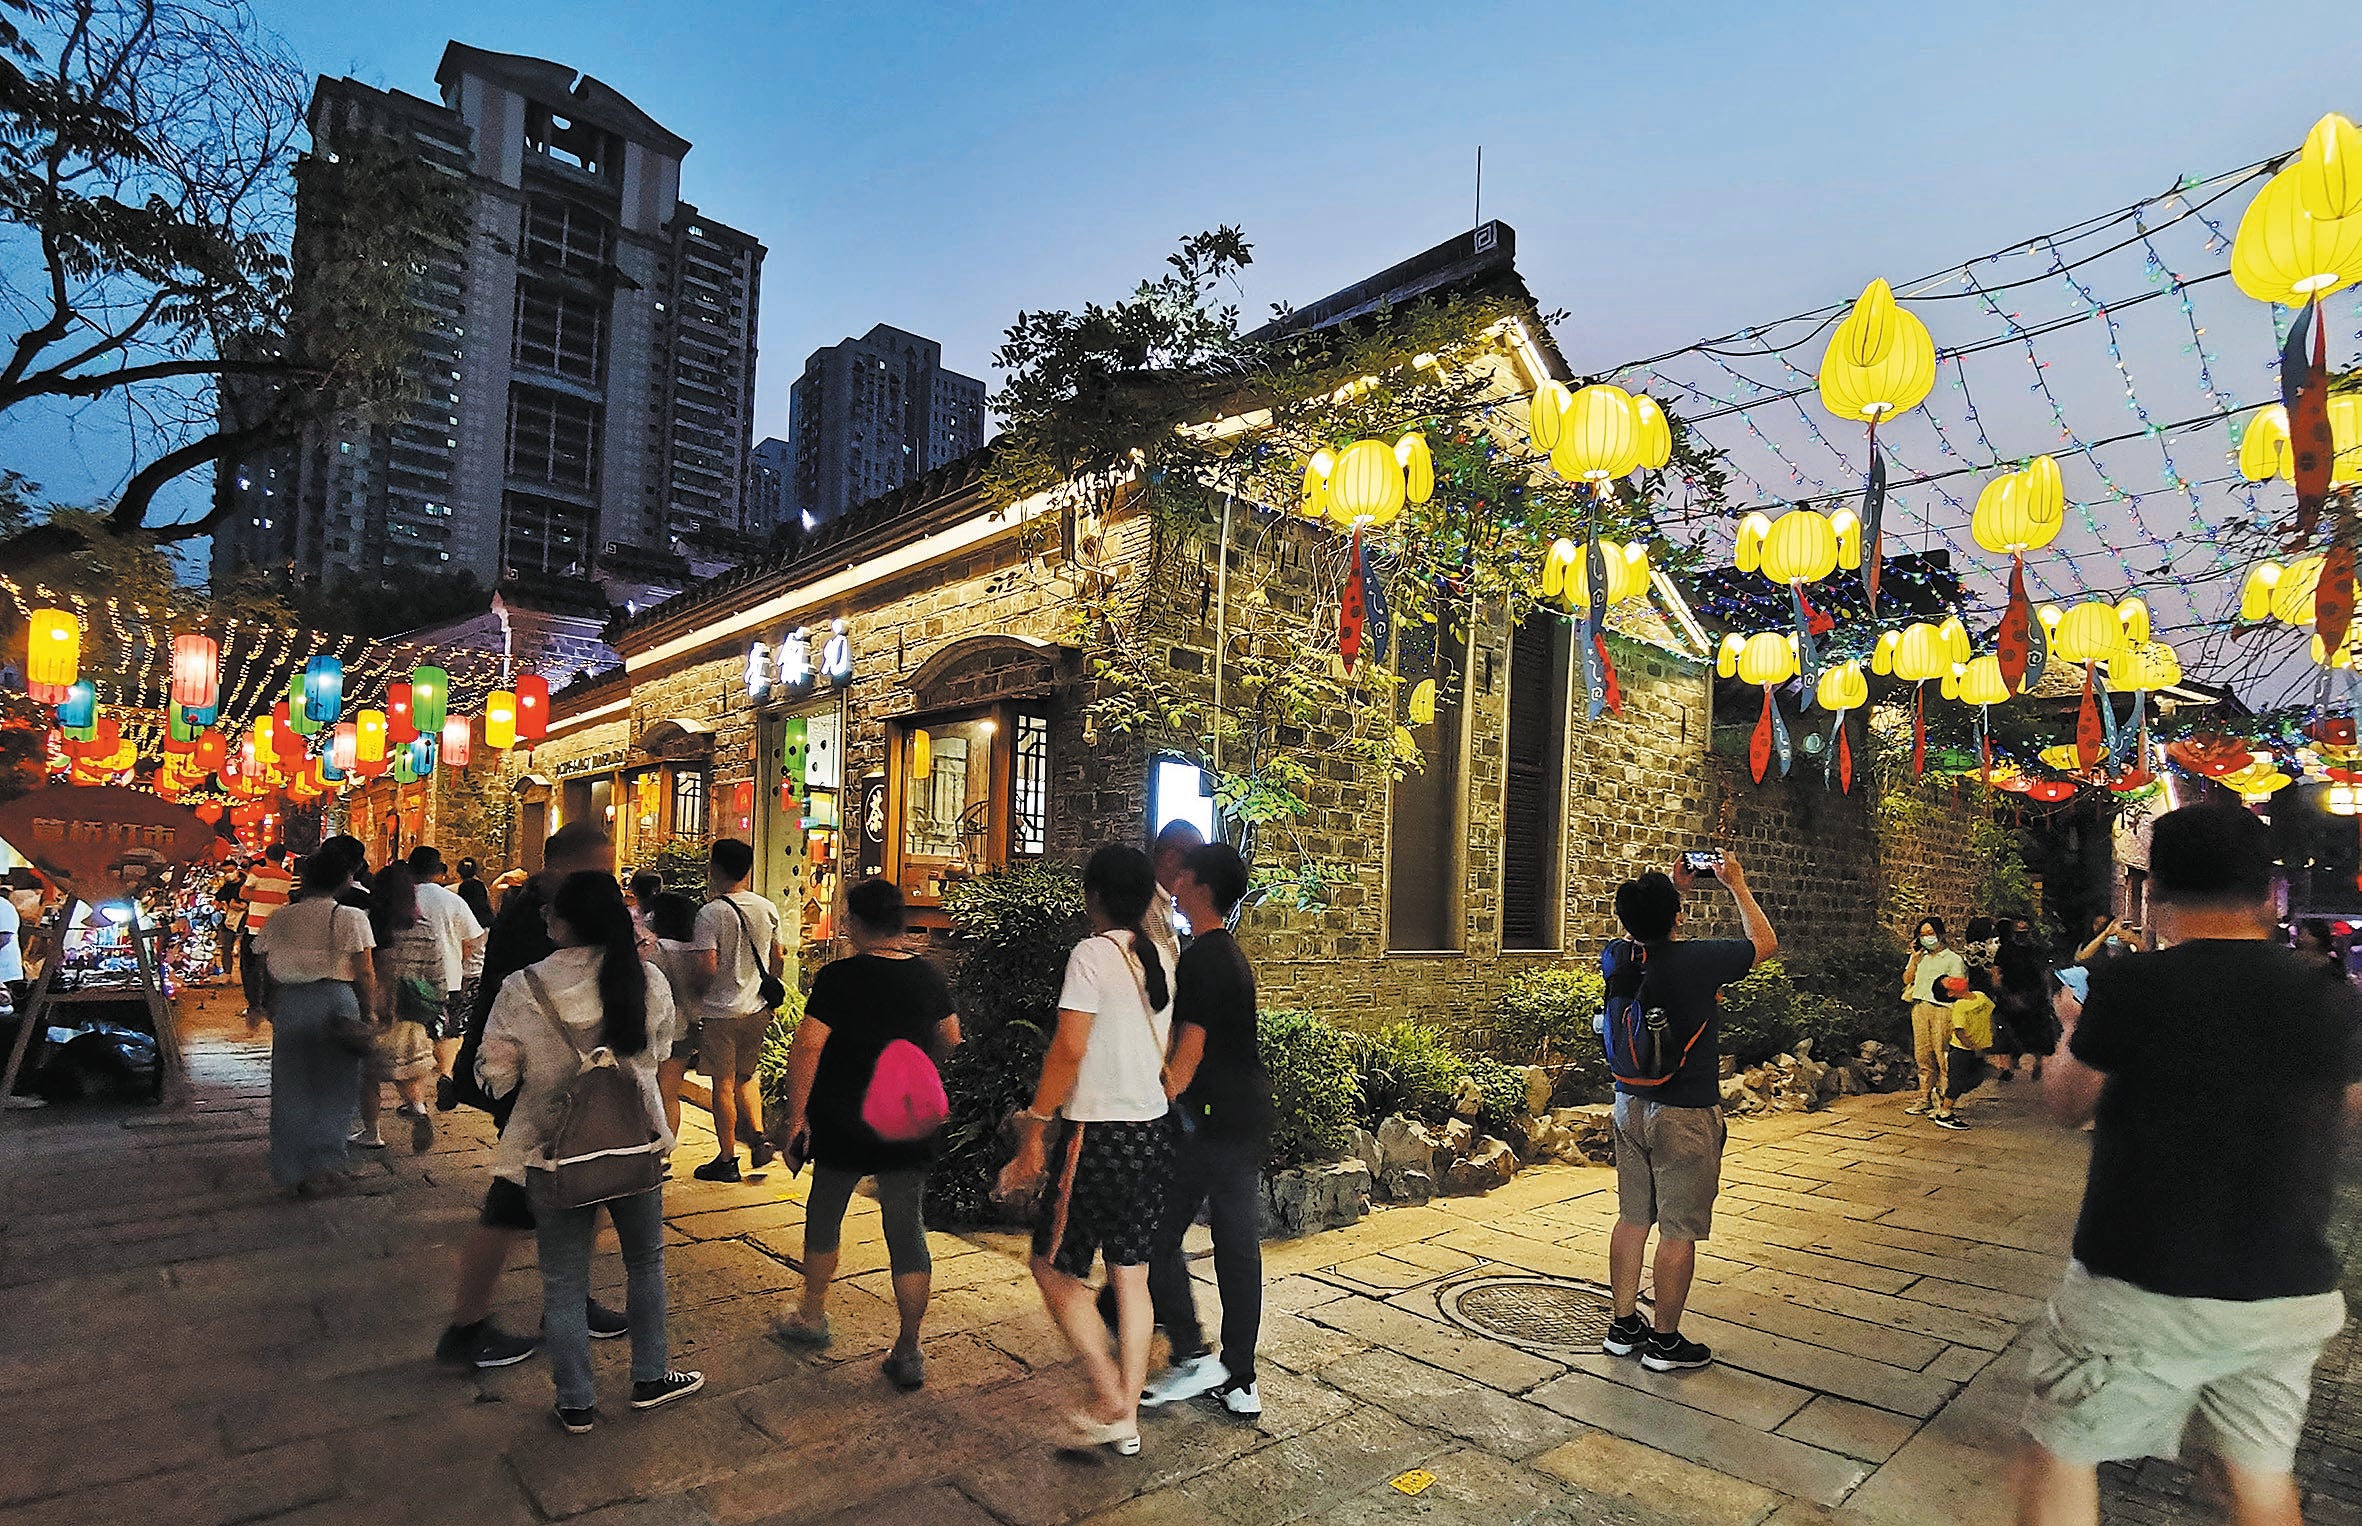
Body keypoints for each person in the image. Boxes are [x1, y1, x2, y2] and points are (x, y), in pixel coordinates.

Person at [2018, 804, 2362, 1526]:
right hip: (2285, 1292)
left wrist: (2072, 1030)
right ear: (2268, 894)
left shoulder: (2133, 987)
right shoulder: (2327, 995)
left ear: (2156, 896)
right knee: (2259, 1479)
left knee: (2064, 1453)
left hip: (2142, 1281)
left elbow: (2066, 1105)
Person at [476, 871, 700, 1433]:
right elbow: (659, 1052)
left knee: (564, 1280)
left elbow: (496, 1077)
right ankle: (651, 1375)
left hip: (552, 1152)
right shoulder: (647, 981)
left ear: (567, 922)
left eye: (551, 912)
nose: (545, 920)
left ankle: (576, 1401)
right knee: (645, 1262)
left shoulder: (523, 986)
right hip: (636, 1142)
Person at [1000, 844, 1177, 1456]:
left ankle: (1112, 1399)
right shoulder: (1161, 957)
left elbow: (1068, 1048)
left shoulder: (1093, 955)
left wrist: (1036, 1124)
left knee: (1050, 1266)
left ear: (1095, 895)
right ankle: (1125, 1415)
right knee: (1132, 1275)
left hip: (1096, 1134)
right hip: (1151, 1132)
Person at [435, 822, 631, 1370]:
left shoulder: (535, 901)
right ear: (573, 864)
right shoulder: (543, 912)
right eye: (602, 866)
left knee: (573, 1199)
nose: (609, 879)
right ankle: (467, 1327)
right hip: (545, 1097)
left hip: (551, 1095)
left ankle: (567, 1302)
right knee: (512, 1204)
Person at [773, 877, 960, 1389]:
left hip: (844, 1116)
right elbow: (952, 1037)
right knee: (906, 1228)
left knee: (826, 1209)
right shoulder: (927, 976)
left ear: (855, 922)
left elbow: (808, 1047)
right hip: (906, 1121)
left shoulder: (839, 978)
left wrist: (797, 1117)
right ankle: (909, 1347)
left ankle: (811, 1314)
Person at [1598, 854, 1776, 1374]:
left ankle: (1623, 1325)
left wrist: (1670, 889)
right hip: (1684, 1113)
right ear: (1677, 917)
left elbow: (1638, 928)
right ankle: (1665, 1342)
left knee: (1633, 1218)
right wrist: (1737, 885)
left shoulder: (1618, 957)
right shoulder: (1700, 961)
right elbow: (1764, 944)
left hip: (1628, 1104)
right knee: (1678, 1229)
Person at [1138, 841, 1269, 1417]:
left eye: (1184, 869)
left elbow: (1187, 1054)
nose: (1175, 875)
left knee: (1157, 1235)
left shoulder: (1203, 957)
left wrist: (1149, 1099)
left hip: (1209, 1124)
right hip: (1243, 1116)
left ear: (1197, 883)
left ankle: (1193, 1356)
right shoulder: (1229, 954)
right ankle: (1239, 1375)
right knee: (1237, 1245)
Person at [252, 846, 379, 1195]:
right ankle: (326, 1161)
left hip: (293, 1004)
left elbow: (263, 965)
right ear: (344, 881)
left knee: (291, 1086)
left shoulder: (280, 917)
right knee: (336, 1086)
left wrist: (266, 1005)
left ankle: (291, 1166)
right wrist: (369, 1012)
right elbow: (364, 971)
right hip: (337, 1002)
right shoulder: (351, 917)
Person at [689, 838, 782, 1182]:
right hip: (756, 1008)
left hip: (721, 1011)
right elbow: (779, 956)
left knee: (723, 1084)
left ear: (715, 869)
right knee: (747, 1076)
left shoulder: (710, 913)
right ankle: (757, 1136)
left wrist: (696, 997)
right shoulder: (766, 907)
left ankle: (727, 1159)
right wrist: (769, 986)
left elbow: (707, 967)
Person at [357, 859, 441, 1154]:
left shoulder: (370, 922)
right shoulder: (424, 925)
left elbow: (365, 966)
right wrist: (437, 1001)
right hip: (412, 1004)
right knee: (406, 1065)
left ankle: (371, 1132)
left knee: (367, 1073)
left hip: (379, 1003)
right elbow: (435, 967)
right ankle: (417, 1108)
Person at [406, 846, 488, 1096]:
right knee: (447, 1030)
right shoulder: (453, 900)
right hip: (448, 976)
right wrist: (456, 957)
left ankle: (414, 1093)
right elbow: (474, 938)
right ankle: (445, 1074)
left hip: (408, 975)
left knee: (410, 1031)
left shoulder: (402, 897)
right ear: (438, 870)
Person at [644, 891, 705, 1144]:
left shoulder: (656, 950)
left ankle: (653, 1147)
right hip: (686, 1028)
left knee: (652, 1093)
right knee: (670, 1094)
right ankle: (667, 1149)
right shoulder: (696, 950)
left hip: (656, 1028)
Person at [1902, 916, 1967, 1122]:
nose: (1926, 938)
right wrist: (1913, 958)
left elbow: (1958, 986)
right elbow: (1906, 979)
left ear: (1940, 934)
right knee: (1922, 1053)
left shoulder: (1953, 959)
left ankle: (1944, 1100)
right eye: (1922, 934)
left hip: (1942, 1009)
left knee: (1942, 1054)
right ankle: (1924, 1096)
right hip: (1920, 1005)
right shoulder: (1920, 958)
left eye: (1930, 933)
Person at [240, 845, 295, 1019]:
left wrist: (257, 895)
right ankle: (269, 1005)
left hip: (254, 928)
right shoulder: (288, 878)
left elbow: (243, 893)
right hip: (276, 931)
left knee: (249, 967)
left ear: (266, 856)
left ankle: (254, 1004)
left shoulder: (258, 873)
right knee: (270, 968)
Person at [1146, 820, 1203, 973]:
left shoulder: (1164, 902)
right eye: (1194, 861)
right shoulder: (1143, 906)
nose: (1198, 871)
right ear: (1171, 859)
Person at [2075, 913, 2144, 964]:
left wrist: (2133, 939)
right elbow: (2081, 958)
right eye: (2096, 923)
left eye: (2103, 923)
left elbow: (2141, 953)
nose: (2099, 926)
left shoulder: (2116, 940)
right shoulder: (2087, 945)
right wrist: (2105, 934)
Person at [453, 857, 495, 928]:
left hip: (464, 926)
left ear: (458, 872)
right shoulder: (482, 886)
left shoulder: (450, 890)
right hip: (484, 924)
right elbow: (488, 904)